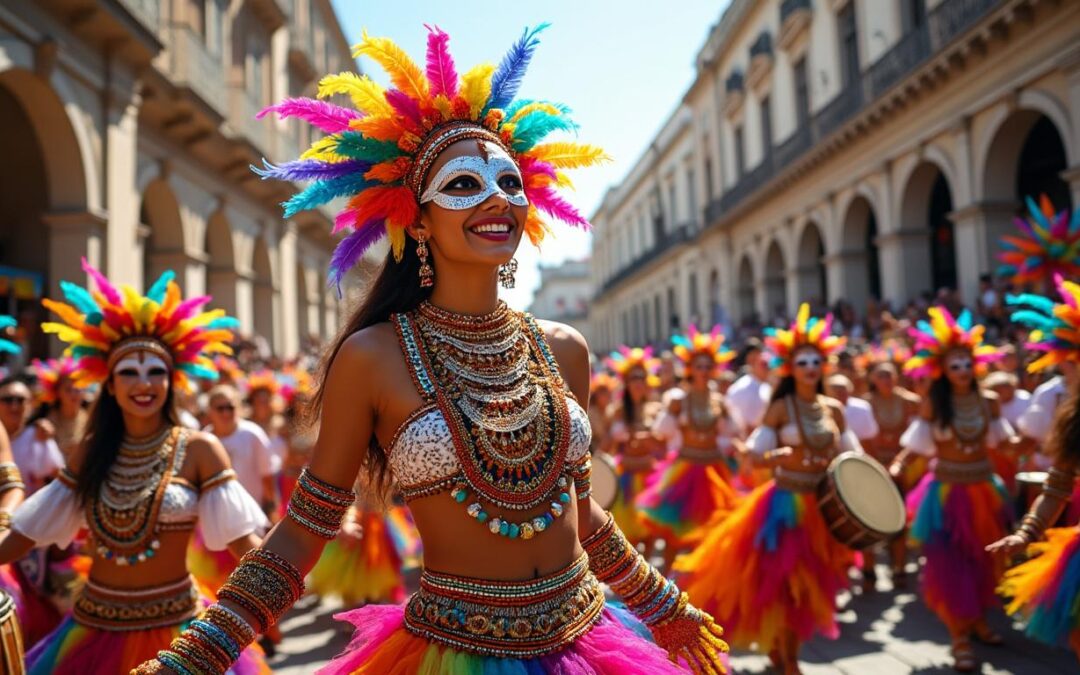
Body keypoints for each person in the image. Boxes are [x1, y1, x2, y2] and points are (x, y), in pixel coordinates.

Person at [137, 25, 726, 675]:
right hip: (454, 652)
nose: (498, 196)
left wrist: (663, 603)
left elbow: (582, 508)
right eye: (464, 185)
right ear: (416, 219)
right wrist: (199, 654)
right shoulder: (373, 356)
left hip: (589, 639)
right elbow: (305, 526)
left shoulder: (565, 347)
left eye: (509, 180)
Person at [0, 261, 270, 674]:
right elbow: (24, 535)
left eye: (156, 372)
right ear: (109, 385)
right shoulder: (90, 453)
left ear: (172, 380)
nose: (143, 384)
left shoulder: (199, 449)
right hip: (93, 631)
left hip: (179, 633)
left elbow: (244, 545)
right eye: (129, 373)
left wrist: (288, 566)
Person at [675, 304, 858, 675]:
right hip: (784, 505)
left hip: (822, 507)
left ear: (825, 366)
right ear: (791, 368)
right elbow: (755, 461)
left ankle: (786, 647)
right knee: (785, 583)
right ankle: (787, 656)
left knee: (814, 584)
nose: (809, 369)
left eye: (815, 362)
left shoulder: (834, 410)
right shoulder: (779, 409)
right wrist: (777, 454)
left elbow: (853, 459)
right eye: (802, 362)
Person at [899, 306, 1014, 672]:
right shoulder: (934, 403)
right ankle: (958, 637)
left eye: (967, 364)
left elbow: (1006, 444)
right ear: (942, 371)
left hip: (984, 489)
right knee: (950, 564)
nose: (963, 371)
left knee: (984, 560)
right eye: (955, 366)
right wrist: (898, 465)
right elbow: (916, 446)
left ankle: (978, 620)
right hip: (946, 495)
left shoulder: (989, 401)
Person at [987, 276, 1080, 660]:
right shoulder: (1073, 417)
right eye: (1067, 364)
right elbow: (1057, 486)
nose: (1067, 375)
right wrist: (1026, 533)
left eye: (1072, 365)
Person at [638, 325, 741, 568]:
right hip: (685, 471)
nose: (704, 371)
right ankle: (662, 590)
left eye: (708, 366)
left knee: (710, 534)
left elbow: (731, 433)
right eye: (699, 366)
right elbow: (662, 433)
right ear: (689, 369)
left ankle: (700, 582)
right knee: (674, 537)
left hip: (715, 471)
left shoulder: (719, 402)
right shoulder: (678, 401)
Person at [863, 361, 921, 589]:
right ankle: (869, 571)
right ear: (873, 379)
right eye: (881, 375)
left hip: (902, 468)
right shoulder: (865, 404)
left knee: (900, 520)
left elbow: (920, 437)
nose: (886, 379)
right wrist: (876, 462)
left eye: (890, 375)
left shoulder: (911, 403)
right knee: (868, 519)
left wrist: (899, 463)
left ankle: (899, 567)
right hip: (871, 467)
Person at [605, 346, 665, 550]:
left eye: (641, 377)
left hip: (651, 476)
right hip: (627, 478)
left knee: (651, 533)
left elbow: (664, 446)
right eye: (633, 378)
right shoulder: (618, 412)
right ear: (626, 382)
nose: (638, 382)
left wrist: (650, 439)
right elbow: (609, 448)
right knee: (629, 536)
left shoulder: (656, 409)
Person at [0, 378, 63, 496]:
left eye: (20, 400)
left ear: (31, 405)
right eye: (7, 400)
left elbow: (60, 479)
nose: (14, 406)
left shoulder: (39, 436)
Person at [28, 357, 88, 460]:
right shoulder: (46, 422)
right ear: (58, 392)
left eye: (78, 389)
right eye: (68, 390)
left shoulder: (91, 419)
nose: (74, 394)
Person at [725, 338, 772, 436]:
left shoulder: (767, 387)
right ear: (751, 361)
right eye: (764, 364)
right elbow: (743, 428)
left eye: (769, 364)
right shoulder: (742, 389)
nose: (768, 369)